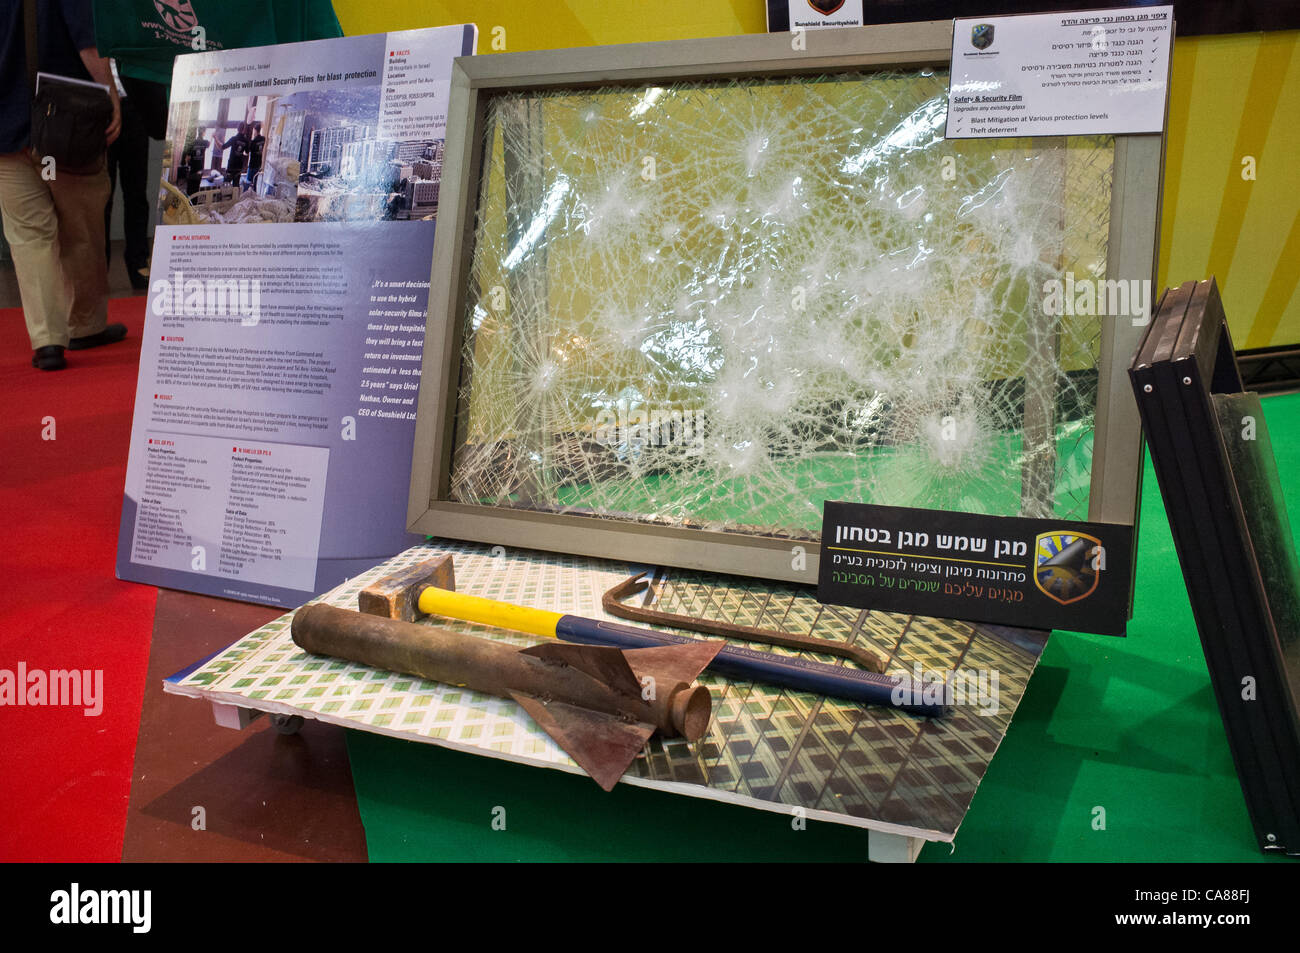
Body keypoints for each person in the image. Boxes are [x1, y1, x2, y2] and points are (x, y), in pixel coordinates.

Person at [0, 0, 124, 371]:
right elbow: (88, 43)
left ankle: (48, 341)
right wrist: (111, 96)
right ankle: (84, 325)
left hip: (6, 135)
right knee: (79, 225)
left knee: (29, 237)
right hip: (61, 131)